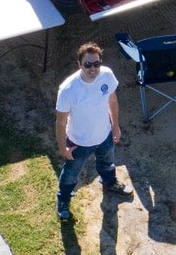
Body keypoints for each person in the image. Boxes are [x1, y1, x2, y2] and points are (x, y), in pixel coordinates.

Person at [54, 42, 132, 220]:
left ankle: (110, 183)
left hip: (104, 135)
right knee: (70, 174)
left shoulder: (107, 75)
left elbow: (112, 100)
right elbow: (60, 122)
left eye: (96, 64)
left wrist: (115, 125)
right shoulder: (68, 90)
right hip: (78, 142)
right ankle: (63, 200)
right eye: (88, 64)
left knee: (107, 164)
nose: (93, 68)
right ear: (79, 64)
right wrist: (62, 147)